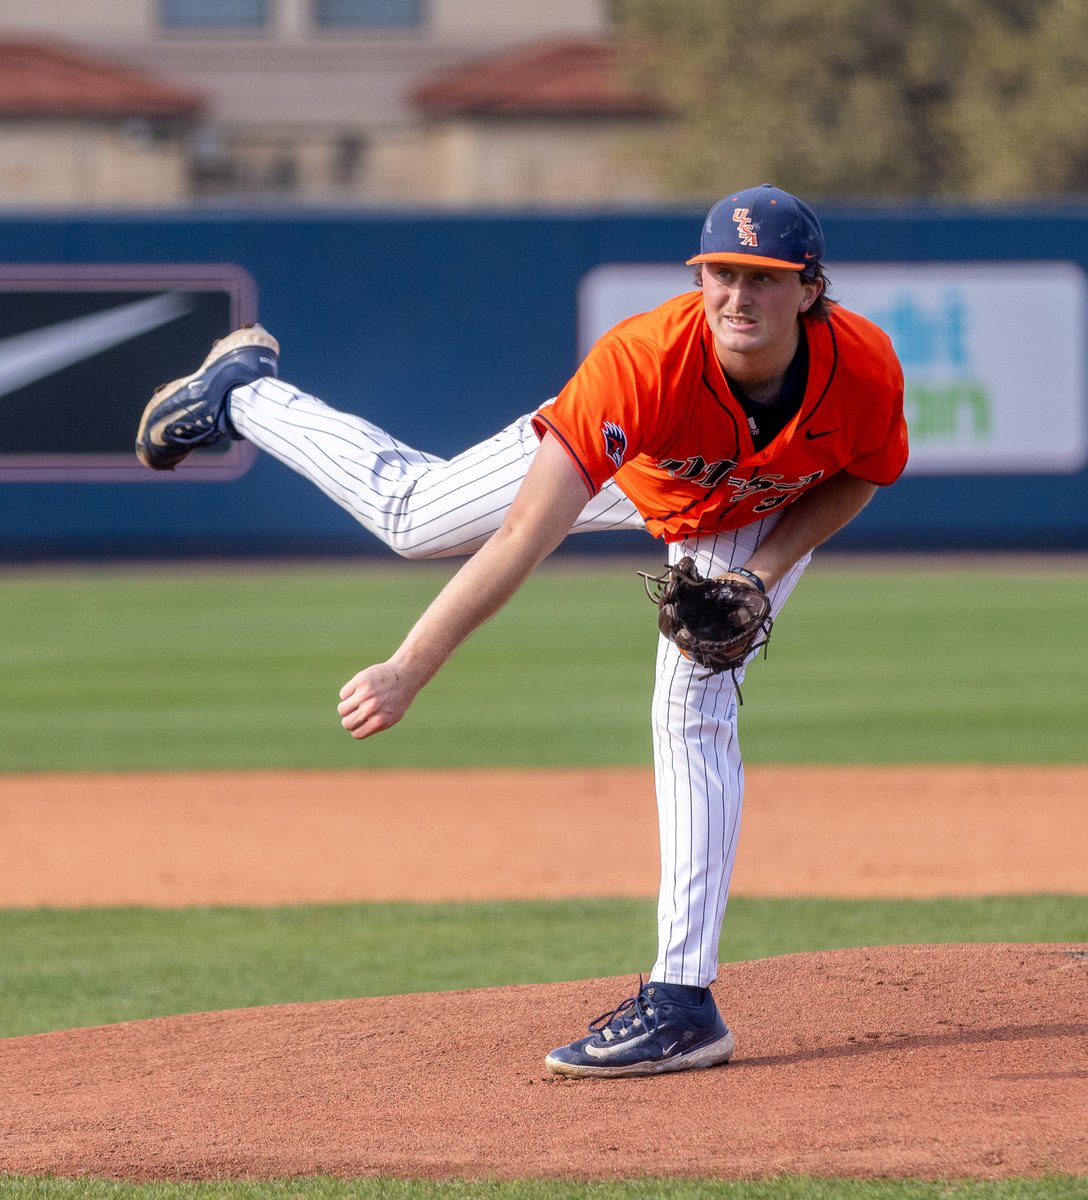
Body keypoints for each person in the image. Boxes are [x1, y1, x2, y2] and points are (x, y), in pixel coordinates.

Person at [136, 184, 908, 1079]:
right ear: (699, 279)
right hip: (635, 469)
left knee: (692, 708)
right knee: (409, 516)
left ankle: (682, 999)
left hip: (737, 520)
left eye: (765, 278)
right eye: (721, 273)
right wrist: (409, 666)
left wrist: (758, 579)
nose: (739, 296)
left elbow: (860, 472)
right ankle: (245, 396)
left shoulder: (865, 367)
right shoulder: (644, 364)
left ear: (810, 289)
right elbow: (520, 539)